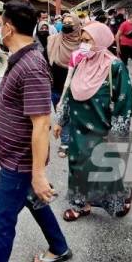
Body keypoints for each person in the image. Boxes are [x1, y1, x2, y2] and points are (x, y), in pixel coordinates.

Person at [0, 0, 71, 262]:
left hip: (19, 162)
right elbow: (8, 101)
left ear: (7, 27)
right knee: (34, 200)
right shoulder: (16, 58)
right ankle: (59, 246)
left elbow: (41, 123)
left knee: (1, 221)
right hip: (16, 157)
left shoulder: (31, 66)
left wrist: (38, 173)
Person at [53, 21, 132, 221]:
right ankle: (80, 205)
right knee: (77, 165)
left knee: (103, 167)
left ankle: (120, 199)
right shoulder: (81, 61)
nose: (83, 45)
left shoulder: (114, 66)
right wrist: (59, 120)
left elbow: (125, 102)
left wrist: (117, 134)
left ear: (100, 40)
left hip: (102, 130)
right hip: (77, 128)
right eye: (82, 40)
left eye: (88, 40)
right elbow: (69, 91)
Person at [45, 14, 82, 158]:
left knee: (77, 116)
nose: (66, 25)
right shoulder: (54, 40)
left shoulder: (84, 44)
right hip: (56, 87)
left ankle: (78, 141)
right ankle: (65, 142)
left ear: (77, 25)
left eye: (70, 23)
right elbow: (45, 61)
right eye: (64, 22)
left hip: (78, 88)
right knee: (63, 116)